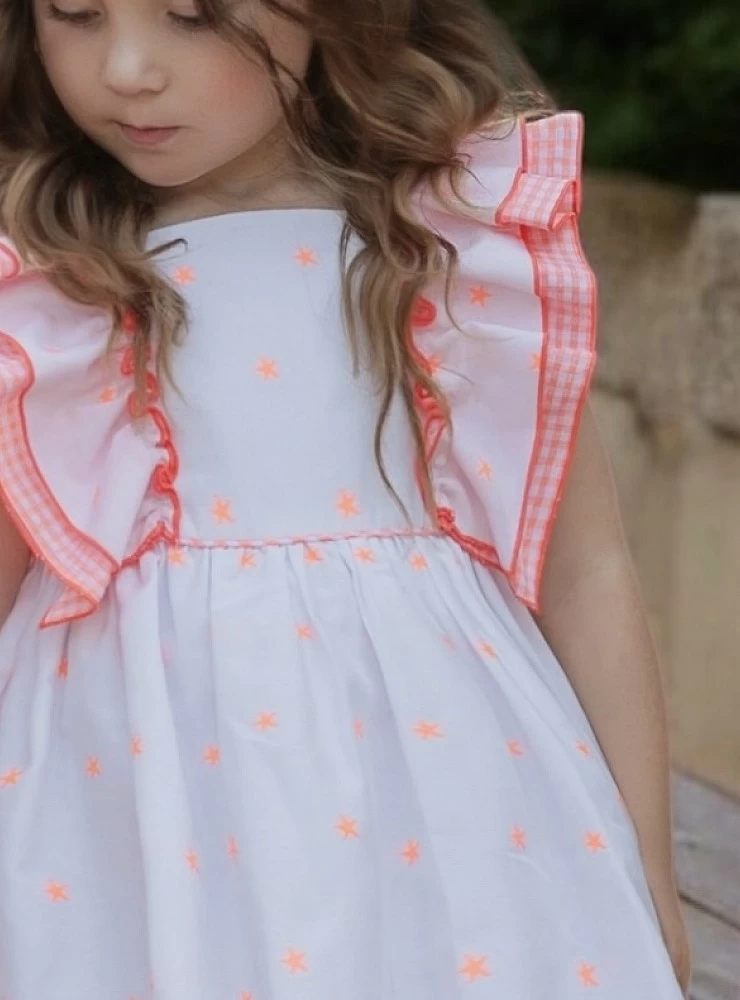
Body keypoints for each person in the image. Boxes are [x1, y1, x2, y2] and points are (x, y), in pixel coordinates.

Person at [0, 0, 692, 997]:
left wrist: (651, 877)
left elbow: (584, 568)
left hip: (436, 798)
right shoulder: (41, 275)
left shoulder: (456, 238)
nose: (127, 68)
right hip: (124, 810)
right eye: (74, 13)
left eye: (193, 15)